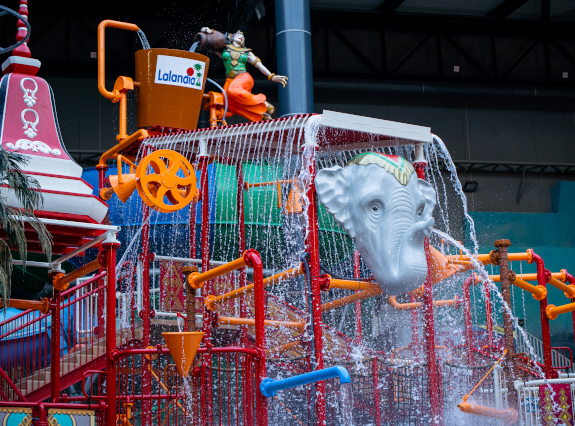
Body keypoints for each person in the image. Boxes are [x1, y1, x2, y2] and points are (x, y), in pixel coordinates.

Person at [199, 27, 288, 122]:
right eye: (238, 35)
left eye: (243, 37)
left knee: (233, 90)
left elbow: (259, 65)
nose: (242, 37)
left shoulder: (247, 53)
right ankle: (260, 115)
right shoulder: (224, 49)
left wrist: (271, 76)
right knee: (226, 101)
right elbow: (212, 42)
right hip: (230, 80)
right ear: (232, 38)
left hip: (244, 77)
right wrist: (208, 31)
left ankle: (263, 104)